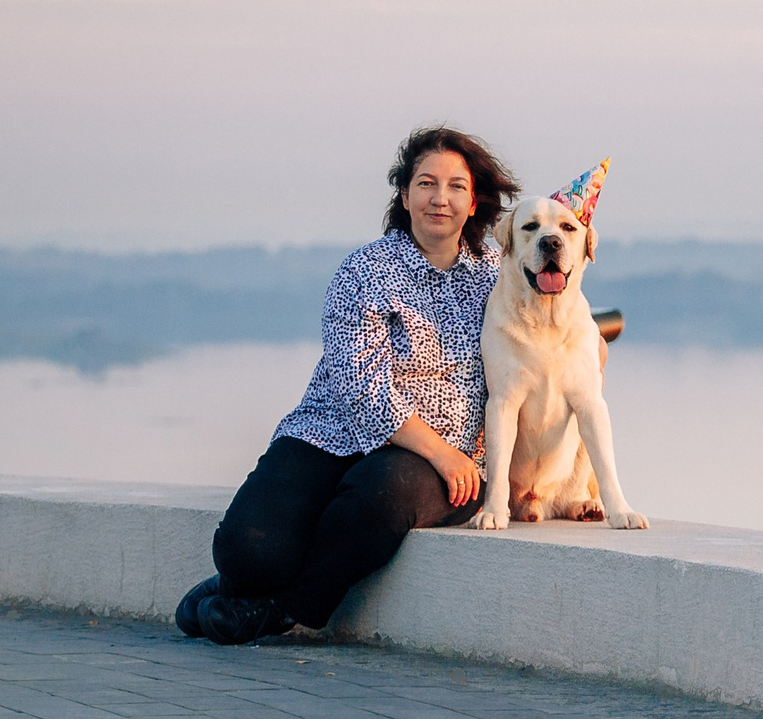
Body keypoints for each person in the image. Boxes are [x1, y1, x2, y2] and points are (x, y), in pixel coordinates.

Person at [177, 126, 520, 645]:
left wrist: (590, 349)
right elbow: (362, 387)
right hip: (334, 430)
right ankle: (235, 584)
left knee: (379, 500)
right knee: (251, 548)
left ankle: (282, 612)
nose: (439, 198)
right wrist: (446, 455)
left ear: (474, 203)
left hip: (426, 462)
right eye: (426, 183)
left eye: (455, 186)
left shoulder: (498, 275)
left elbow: (551, 329)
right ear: (404, 197)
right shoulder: (364, 270)